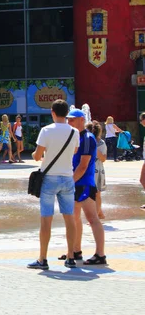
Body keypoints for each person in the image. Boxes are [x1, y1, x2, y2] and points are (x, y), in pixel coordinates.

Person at [27, 99, 79, 270]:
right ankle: (71, 256)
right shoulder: (74, 132)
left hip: (49, 178)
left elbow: (36, 156)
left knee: (46, 219)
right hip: (67, 177)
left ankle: (43, 259)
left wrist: (41, 152)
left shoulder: (46, 131)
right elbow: (75, 151)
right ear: (67, 114)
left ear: (52, 112)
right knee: (69, 217)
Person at [65, 109, 107, 265]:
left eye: (72, 120)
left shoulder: (88, 138)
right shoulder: (76, 137)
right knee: (74, 218)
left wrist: (70, 182)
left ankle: (100, 254)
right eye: (68, 120)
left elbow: (83, 166)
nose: (69, 122)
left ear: (81, 120)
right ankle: (75, 251)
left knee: (92, 218)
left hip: (84, 184)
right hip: (77, 183)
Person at [87, 121, 107, 219]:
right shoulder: (86, 141)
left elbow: (103, 159)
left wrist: (95, 148)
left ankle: (95, 217)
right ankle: (99, 213)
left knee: (96, 193)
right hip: (88, 171)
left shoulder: (101, 143)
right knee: (91, 194)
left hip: (97, 172)